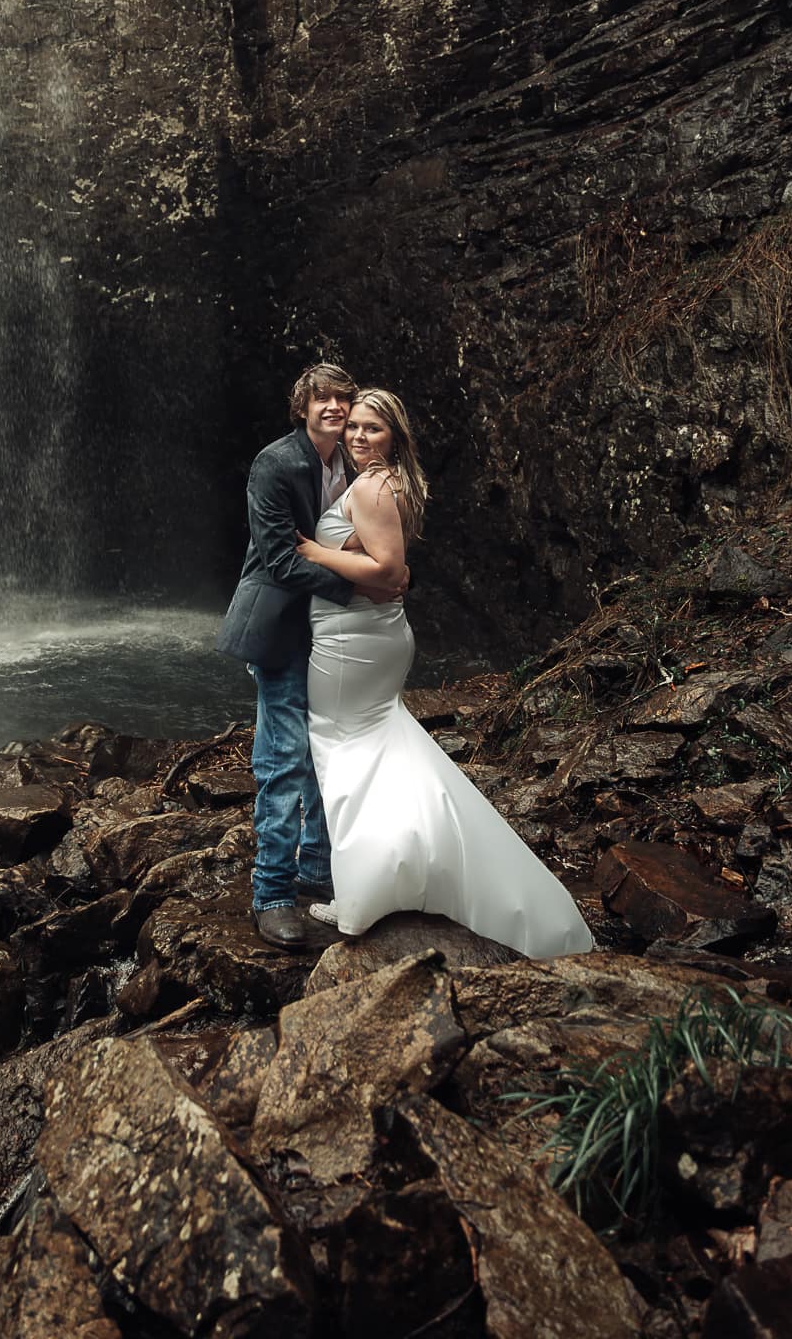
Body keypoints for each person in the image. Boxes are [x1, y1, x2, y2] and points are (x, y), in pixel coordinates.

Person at [296, 387, 593, 957]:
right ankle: (408, 860)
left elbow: (388, 569)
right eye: (353, 426)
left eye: (373, 429)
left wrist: (311, 551)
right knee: (384, 747)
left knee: (341, 751)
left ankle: (363, 891)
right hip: (368, 638)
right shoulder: (393, 483)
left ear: (395, 437)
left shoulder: (371, 486)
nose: (358, 436)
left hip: (353, 644)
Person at [219, 362, 402, 950]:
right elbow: (278, 559)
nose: (334, 407)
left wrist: (385, 574)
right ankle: (271, 895)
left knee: (327, 752)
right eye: (321, 397)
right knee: (284, 759)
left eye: (342, 398)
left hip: (333, 632)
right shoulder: (276, 463)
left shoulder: (351, 464)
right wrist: (361, 586)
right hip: (281, 626)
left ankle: (317, 872)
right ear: (303, 407)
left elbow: (378, 539)